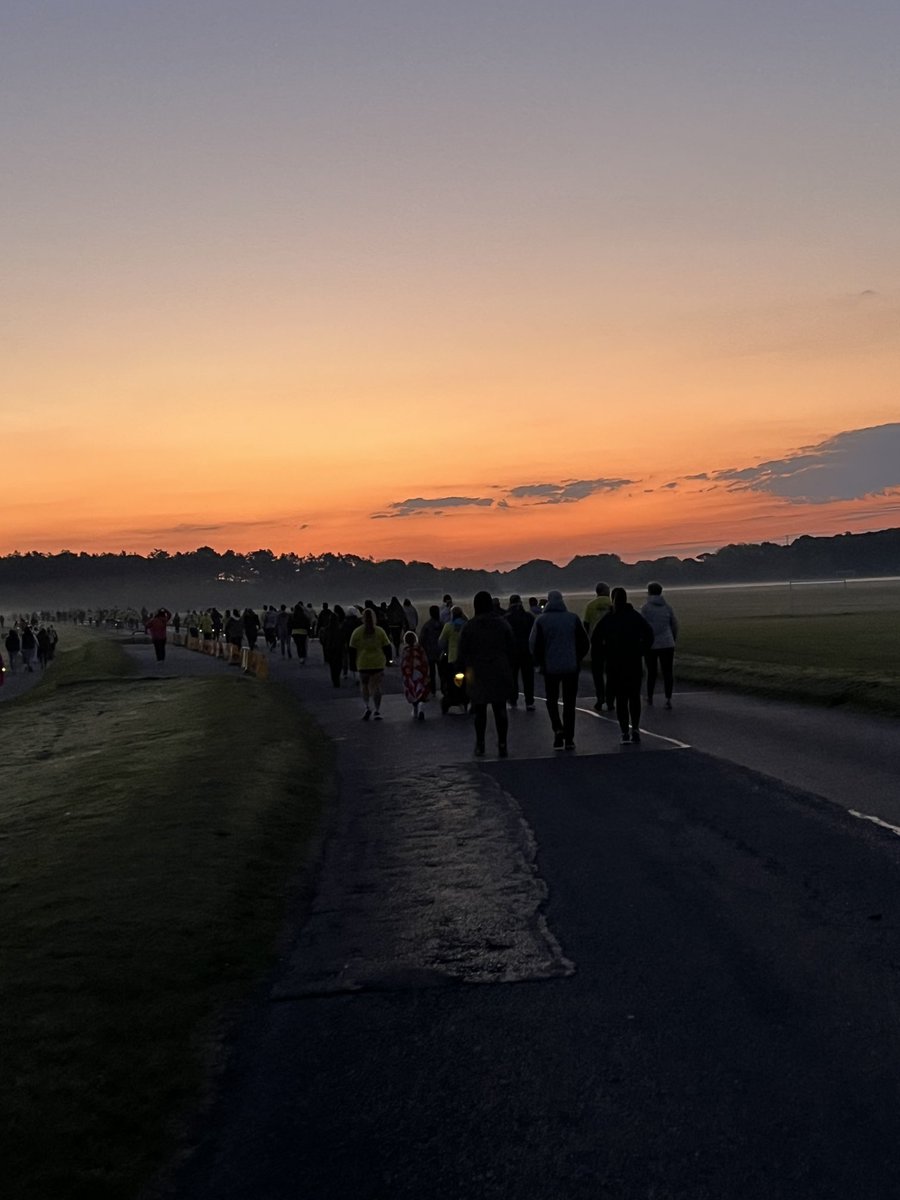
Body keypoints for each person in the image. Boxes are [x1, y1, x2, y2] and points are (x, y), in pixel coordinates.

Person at [457, 591, 516, 757]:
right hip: (499, 670)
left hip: (478, 672)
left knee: (480, 710)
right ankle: (502, 743)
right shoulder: (502, 623)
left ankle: (480, 743)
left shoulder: (469, 626)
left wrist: (459, 670)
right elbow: (512, 647)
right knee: (500, 709)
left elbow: (462, 651)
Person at [592, 587, 654, 744]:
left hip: (614, 663)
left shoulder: (608, 618)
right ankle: (636, 728)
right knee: (634, 697)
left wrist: (604, 652)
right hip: (633, 662)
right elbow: (649, 634)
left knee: (621, 699)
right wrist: (641, 650)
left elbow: (595, 638)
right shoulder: (635, 616)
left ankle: (624, 731)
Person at [529, 590, 589, 751]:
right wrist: (577, 658)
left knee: (551, 700)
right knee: (570, 703)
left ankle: (557, 728)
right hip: (571, 666)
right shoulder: (573, 618)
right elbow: (584, 642)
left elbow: (533, 643)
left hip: (550, 667)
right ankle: (569, 738)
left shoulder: (542, 620)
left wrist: (539, 662)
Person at [348, 607, 393, 720]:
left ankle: (367, 706)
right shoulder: (379, 631)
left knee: (364, 685)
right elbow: (387, 646)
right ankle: (377, 710)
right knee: (376, 686)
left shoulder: (357, 632)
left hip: (363, 663)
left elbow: (352, 649)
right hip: (377, 662)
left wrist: (352, 664)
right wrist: (389, 660)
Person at [641, 582, 679, 708]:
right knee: (667, 671)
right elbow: (674, 624)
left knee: (651, 672)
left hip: (651, 645)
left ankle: (650, 696)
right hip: (667, 643)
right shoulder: (667, 607)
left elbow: (642, 626)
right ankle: (668, 698)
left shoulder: (646, 608)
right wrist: (672, 638)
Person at [584, 582, 614, 711]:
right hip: (612, 643)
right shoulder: (613, 605)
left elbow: (586, 624)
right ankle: (611, 699)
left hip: (596, 643)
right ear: (607, 592)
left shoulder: (590, 606)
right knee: (612, 672)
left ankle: (600, 696)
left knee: (597, 672)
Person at [505, 594, 535, 710]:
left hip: (512, 652)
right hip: (526, 651)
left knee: (512, 677)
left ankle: (513, 699)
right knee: (528, 677)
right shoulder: (528, 617)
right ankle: (529, 701)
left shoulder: (506, 618)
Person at [438, 605, 468, 713]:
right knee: (465, 682)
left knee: (452, 682)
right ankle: (465, 699)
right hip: (465, 659)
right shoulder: (466, 625)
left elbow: (441, 642)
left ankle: (451, 700)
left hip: (452, 658)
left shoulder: (448, 626)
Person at [399, 630, 431, 720]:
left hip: (409, 674)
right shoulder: (420, 649)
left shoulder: (405, 650)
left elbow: (402, 663)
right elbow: (425, 660)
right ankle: (421, 705)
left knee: (412, 690)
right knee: (420, 688)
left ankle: (415, 707)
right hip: (420, 672)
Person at [418, 605, 443, 696]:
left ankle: (432, 690)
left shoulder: (427, 625)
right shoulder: (442, 624)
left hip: (429, 652)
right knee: (442, 672)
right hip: (440, 652)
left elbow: (421, 639)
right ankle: (444, 688)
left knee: (431, 673)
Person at [322, 604, 346, 687]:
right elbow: (343, 639)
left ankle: (334, 679)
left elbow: (324, 640)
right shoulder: (340, 629)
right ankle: (337, 678)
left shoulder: (326, 630)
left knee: (332, 666)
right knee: (339, 665)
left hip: (330, 649)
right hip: (338, 649)